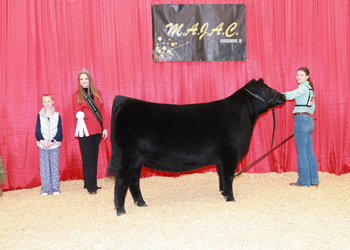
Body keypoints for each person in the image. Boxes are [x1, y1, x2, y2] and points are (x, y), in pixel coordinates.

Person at [72, 68, 108, 195]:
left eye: (86, 79)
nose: (84, 81)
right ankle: (91, 186)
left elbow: (102, 111)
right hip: (84, 130)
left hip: (97, 129)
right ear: (79, 81)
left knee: (94, 156)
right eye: (81, 79)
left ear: (89, 80)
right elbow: (76, 110)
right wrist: (79, 114)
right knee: (87, 158)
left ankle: (91, 182)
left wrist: (105, 128)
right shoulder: (77, 95)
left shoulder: (97, 93)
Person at [283, 67, 319, 187]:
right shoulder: (310, 89)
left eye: (302, 75)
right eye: (297, 75)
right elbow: (312, 107)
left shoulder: (303, 88)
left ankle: (303, 181)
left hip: (301, 119)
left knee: (302, 152)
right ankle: (313, 180)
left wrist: (278, 95)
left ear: (307, 76)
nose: (299, 77)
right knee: (309, 151)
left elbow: (292, 95)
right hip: (309, 119)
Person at [35, 94, 63, 196]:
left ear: (53, 102)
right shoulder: (39, 115)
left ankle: (55, 188)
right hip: (43, 146)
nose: (47, 103)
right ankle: (45, 189)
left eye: (49, 101)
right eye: (45, 102)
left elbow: (60, 131)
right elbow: (37, 130)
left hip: (54, 145)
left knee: (54, 167)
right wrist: (42, 141)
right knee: (44, 168)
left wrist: (53, 141)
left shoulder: (57, 115)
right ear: (42, 103)